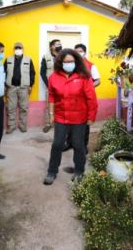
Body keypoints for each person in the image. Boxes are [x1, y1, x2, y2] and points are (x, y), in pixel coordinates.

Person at [43, 49, 98, 185]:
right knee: (57, 144)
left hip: (79, 118)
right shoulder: (53, 77)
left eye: (72, 61)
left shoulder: (84, 77)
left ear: (76, 62)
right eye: (66, 62)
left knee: (78, 145)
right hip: (61, 117)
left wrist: (91, 117)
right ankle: (52, 171)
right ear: (60, 63)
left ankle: (79, 171)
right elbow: (51, 97)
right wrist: (51, 114)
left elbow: (91, 98)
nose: (69, 64)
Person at [4, 42, 36, 133]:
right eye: (16, 48)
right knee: (10, 108)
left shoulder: (28, 59)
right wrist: (4, 86)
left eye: (20, 47)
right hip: (11, 87)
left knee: (24, 108)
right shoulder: (8, 59)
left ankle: (23, 126)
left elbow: (32, 73)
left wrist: (30, 85)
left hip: (24, 87)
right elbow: (4, 73)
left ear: (22, 49)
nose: (18, 49)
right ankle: (11, 126)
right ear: (14, 49)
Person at [40, 39, 62, 133]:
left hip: (62, 86)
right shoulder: (46, 57)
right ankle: (49, 124)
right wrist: (48, 84)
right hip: (51, 86)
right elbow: (42, 72)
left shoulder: (63, 55)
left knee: (62, 105)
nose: (59, 45)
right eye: (57, 44)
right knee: (49, 105)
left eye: (60, 44)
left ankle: (61, 123)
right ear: (51, 46)